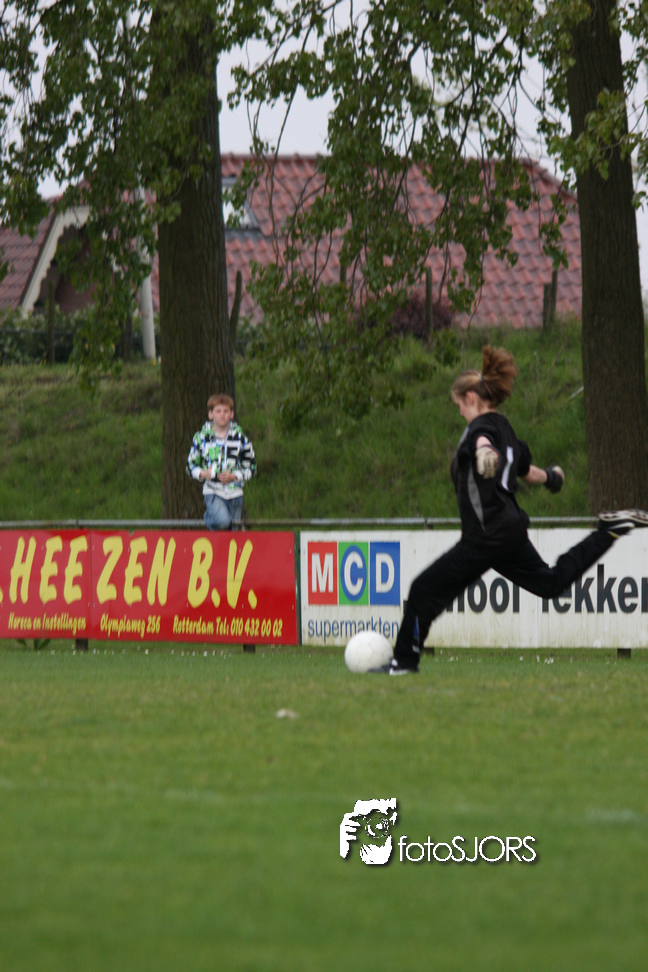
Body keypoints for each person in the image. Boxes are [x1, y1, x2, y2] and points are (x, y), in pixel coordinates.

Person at [373, 345, 648, 675]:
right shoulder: (506, 430)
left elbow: (482, 441)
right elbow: (527, 471)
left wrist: (483, 452)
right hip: (508, 532)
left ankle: (404, 662)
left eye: (459, 405)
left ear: (471, 398)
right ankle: (608, 532)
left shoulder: (480, 430)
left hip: (485, 536)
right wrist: (552, 478)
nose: (460, 412)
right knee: (550, 583)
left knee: (423, 590)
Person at [186, 393, 257, 531]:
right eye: (218, 411)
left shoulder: (241, 439)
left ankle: (219, 542)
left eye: (226, 411)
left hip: (235, 493)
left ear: (231, 414)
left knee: (232, 532)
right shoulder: (201, 438)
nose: (222, 415)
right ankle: (209, 517)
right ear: (211, 414)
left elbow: (251, 467)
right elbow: (190, 466)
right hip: (213, 491)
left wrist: (234, 476)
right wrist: (203, 473)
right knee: (222, 522)